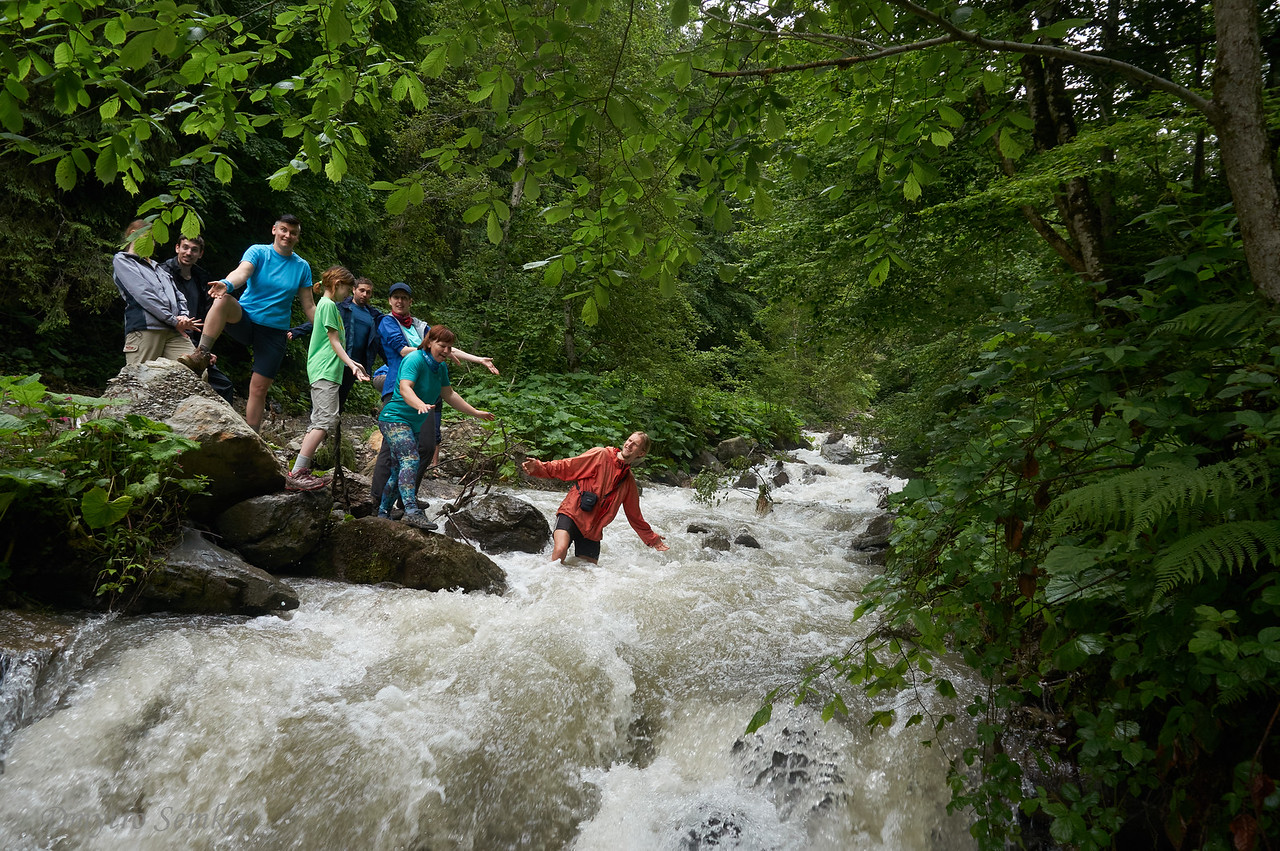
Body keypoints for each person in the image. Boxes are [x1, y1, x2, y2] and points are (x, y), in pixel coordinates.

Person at [177, 214, 314, 431]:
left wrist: (328, 329)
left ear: (297, 237)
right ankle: (202, 354)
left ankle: (253, 437)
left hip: (274, 331)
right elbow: (243, 272)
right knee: (223, 301)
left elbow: (309, 306)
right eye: (284, 230)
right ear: (274, 230)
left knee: (258, 389)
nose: (288, 235)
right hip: (247, 320)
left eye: (293, 233)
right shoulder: (258, 251)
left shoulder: (301, 267)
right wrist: (227, 284)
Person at [370, 281, 499, 507]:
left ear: (410, 301)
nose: (399, 301)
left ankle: (405, 496)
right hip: (399, 387)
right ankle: (378, 498)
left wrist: (478, 359)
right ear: (390, 301)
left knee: (427, 446)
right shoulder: (387, 322)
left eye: (404, 298)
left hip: (425, 395)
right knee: (392, 449)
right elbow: (405, 349)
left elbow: (443, 344)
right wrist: (439, 353)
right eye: (395, 297)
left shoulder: (420, 326)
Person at [376, 325, 494, 529]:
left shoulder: (440, 368)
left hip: (411, 423)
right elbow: (405, 388)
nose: (446, 351)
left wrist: (475, 412)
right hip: (394, 419)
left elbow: (449, 395)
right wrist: (419, 404)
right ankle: (411, 511)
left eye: (450, 348)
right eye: (442, 346)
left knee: (398, 471)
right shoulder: (415, 359)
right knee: (410, 459)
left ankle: (382, 513)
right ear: (429, 342)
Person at [522, 432, 669, 564]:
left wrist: (652, 539)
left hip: (593, 530)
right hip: (572, 514)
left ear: (641, 453)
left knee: (588, 572)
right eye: (629, 440)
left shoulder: (628, 481)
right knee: (560, 551)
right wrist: (540, 467)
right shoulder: (601, 455)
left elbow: (634, 515)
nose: (629, 444)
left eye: (635, 444)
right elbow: (568, 466)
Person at [287, 266, 370, 492]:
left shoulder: (324, 306)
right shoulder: (329, 306)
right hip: (325, 370)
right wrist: (351, 364)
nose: (348, 293)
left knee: (319, 420)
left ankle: (300, 469)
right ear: (336, 285)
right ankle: (296, 473)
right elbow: (334, 342)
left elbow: (334, 342)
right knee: (325, 421)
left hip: (325, 370)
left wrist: (353, 362)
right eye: (347, 288)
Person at [286, 276, 382, 410]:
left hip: (355, 363)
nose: (365, 294)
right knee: (327, 399)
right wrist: (297, 331)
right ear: (354, 290)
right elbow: (320, 321)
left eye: (368, 292)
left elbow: (378, 343)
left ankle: (333, 429)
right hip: (336, 360)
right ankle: (321, 427)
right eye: (362, 290)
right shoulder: (340, 307)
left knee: (341, 400)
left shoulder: (374, 316)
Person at [112, 220, 200, 364]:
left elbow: (178, 296)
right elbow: (144, 295)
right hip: (146, 328)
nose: (152, 243)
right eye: (149, 237)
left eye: (154, 239)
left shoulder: (158, 267)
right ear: (134, 235)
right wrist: (173, 320)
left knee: (196, 369)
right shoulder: (123, 260)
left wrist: (183, 316)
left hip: (173, 330)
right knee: (139, 378)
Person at [160, 235, 235, 404]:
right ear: (177, 248)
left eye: (194, 250)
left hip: (194, 344)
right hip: (167, 337)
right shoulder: (162, 273)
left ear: (200, 254)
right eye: (185, 247)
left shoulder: (201, 280)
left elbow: (207, 321)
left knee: (223, 386)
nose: (188, 253)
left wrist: (204, 351)